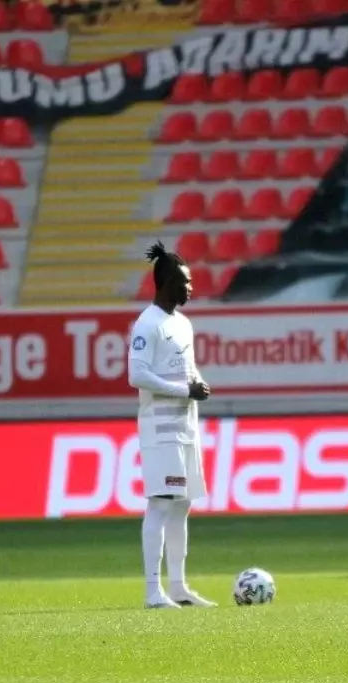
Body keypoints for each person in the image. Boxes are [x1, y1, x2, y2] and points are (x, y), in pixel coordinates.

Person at [127, 241, 216, 609]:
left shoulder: (183, 324)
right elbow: (137, 375)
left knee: (182, 506)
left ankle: (178, 587)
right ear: (165, 283)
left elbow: (187, 368)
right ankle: (152, 592)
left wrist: (198, 383)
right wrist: (184, 389)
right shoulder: (147, 324)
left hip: (186, 428)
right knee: (160, 504)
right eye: (185, 282)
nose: (191, 288)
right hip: (160, 430)